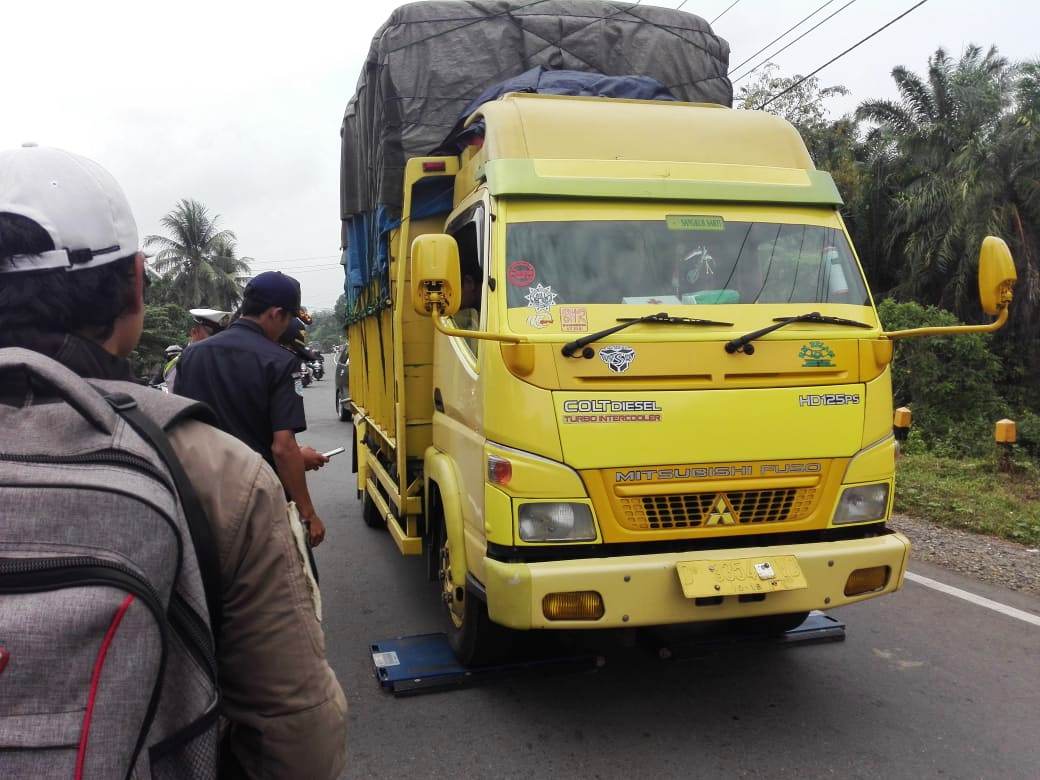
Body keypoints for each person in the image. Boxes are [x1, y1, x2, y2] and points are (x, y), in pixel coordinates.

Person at [0, 144, 347, 777]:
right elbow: (294, 725)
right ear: (134, 283)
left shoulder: (193, 358)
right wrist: (306, 510)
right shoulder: (223, 469)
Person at [174, 271, 331, 546]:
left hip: (201, 506)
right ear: (275, 313)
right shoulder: (280, 362)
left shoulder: (191, 356)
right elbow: (283, 448)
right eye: (287, 319)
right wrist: (308, 514)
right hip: (259, 504)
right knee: (292, 583)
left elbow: (180, 431)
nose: (286, 328)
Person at [164, 307, 230, 386]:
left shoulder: (226, 359)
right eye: (211, 335)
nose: (216, 340)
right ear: (194, 333)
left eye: (220, 335)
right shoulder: (179, 363)